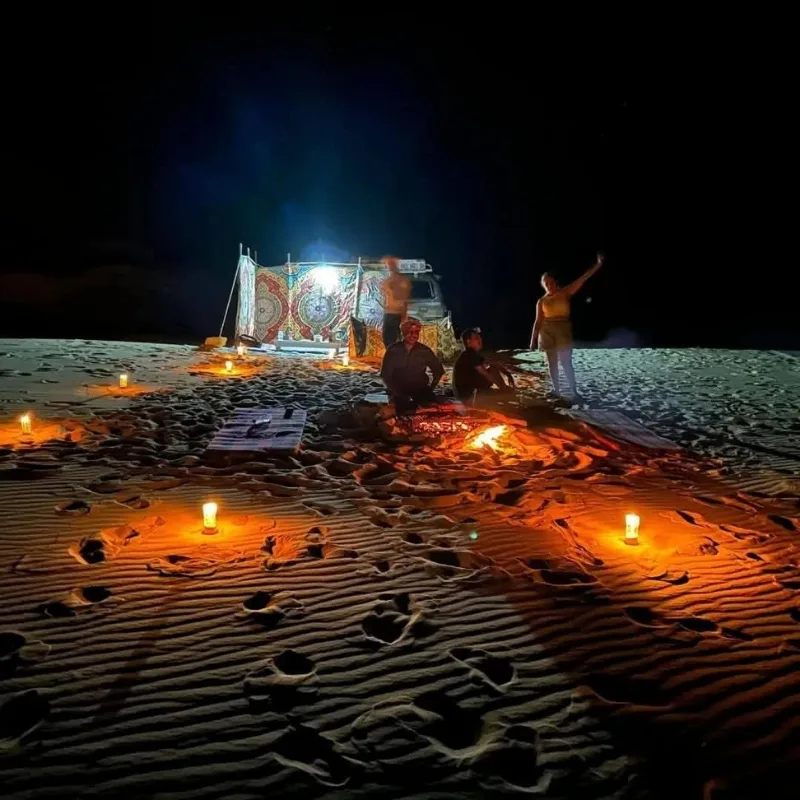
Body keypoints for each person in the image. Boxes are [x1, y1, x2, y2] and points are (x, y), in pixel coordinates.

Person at [529, 252, 604, 399]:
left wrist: (598, 265)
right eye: (546, 284)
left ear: (555, 282)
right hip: (547, 332)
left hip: (563, 330)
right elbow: (538, 321)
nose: (549, 285)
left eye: (550, 282)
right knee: (552, 363)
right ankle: (556, 390)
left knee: (566, 362)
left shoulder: (565, 292)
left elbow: (583, 278)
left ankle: (574, 391)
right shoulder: (541, 301)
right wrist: (533, 340)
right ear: (543, 285)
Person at [380, 317, 444, 413]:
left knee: (432, 410)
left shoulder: (425, 350)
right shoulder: (393, 350)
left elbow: (438, 371)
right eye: (409, 332)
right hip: (398, 388)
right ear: (403, 333)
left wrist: (430, 389)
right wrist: (396, 392)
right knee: (400, 410)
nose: (413, 335)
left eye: (416, 332)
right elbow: (385, 375)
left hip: (420, 387)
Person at [453, 327, 515, 405]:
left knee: (492, 368)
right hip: (467, 396)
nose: (480, 340)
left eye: (480, 337)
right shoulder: (470, 355)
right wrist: (500, 385)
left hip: (463, 394)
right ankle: (504, 390)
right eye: (476, 338)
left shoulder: (470, 354)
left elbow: (492, 363)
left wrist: (507, 374)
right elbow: (485, 374)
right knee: (492, 370)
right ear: (468, 342)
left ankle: (503, 389)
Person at [380, 256, 411, 348]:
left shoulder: (397, 280)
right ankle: (392, 352)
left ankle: (393, 352)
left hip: (394, 313)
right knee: (391, 336)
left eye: (389, 264)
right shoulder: (394, 280)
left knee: (391, 336)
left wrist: (404, 315)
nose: (387, 267)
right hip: (391, 312)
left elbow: (403, 299)